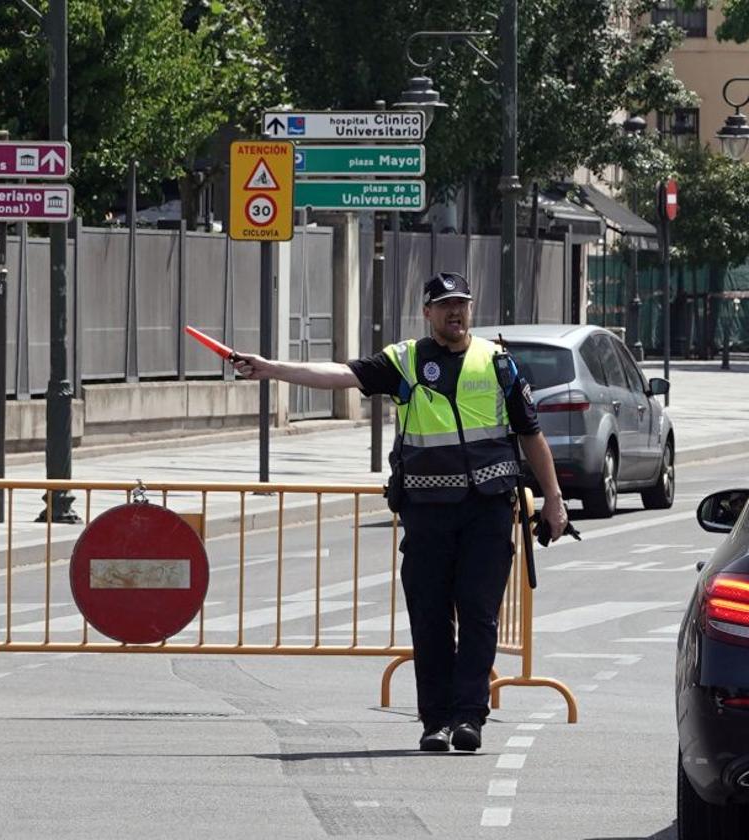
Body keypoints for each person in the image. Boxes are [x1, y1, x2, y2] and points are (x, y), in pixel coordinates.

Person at [232, 271, 568, 753]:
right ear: (427, 312)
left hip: (487, 510)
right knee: (430, 619)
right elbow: (341, 375)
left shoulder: (496, 362)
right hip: (428, 512)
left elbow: (531, 434)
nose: (455, 312)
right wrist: (272, 369)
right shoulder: (406, 361)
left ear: (470, 309)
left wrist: (553, 500)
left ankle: (469, 717)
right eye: (445, 304)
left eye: (462, 304)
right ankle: (434, 721)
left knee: (478, 615)